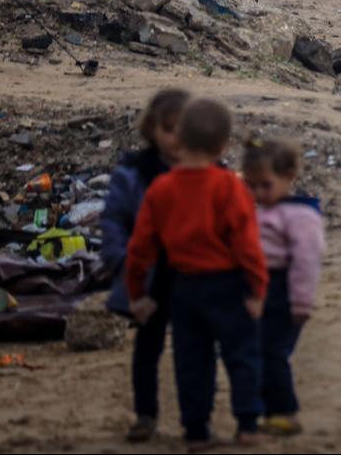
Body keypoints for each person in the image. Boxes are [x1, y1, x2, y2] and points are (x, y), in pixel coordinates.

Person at [125, 98, 268, 452]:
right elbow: (247, 245)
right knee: (242, 356)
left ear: (181, 140)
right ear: (223, 145)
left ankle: (197, 431)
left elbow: (140, 249)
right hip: (228, 286)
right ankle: (248, 424)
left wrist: (137, 294)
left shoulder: (161, 190)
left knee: (192, 362)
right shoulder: (230, 187)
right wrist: (257, 290)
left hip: (184, 288)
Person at [102, 88, 191, 443]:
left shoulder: (206, 172)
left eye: (185, 130)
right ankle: (145, 414)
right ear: (152, 129)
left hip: (191, 279)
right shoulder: (134, 172)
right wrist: (121, 260)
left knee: (191, 351)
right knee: (148, 348)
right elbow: (113, 219)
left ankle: (194, 418)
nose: (177, 139)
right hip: (147, 278)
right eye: (169, 129)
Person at [242, 136, 325, 437]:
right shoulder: (258, 210)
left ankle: (285, 412)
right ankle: (266, 409)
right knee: (257, 350)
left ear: (288, 177)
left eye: (266, 185)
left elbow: (307, 262)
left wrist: (301, 302)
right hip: (257, 288)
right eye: (252, 186)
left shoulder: (301, 216)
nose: (259, 193)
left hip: (283, 290)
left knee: (273, 351)